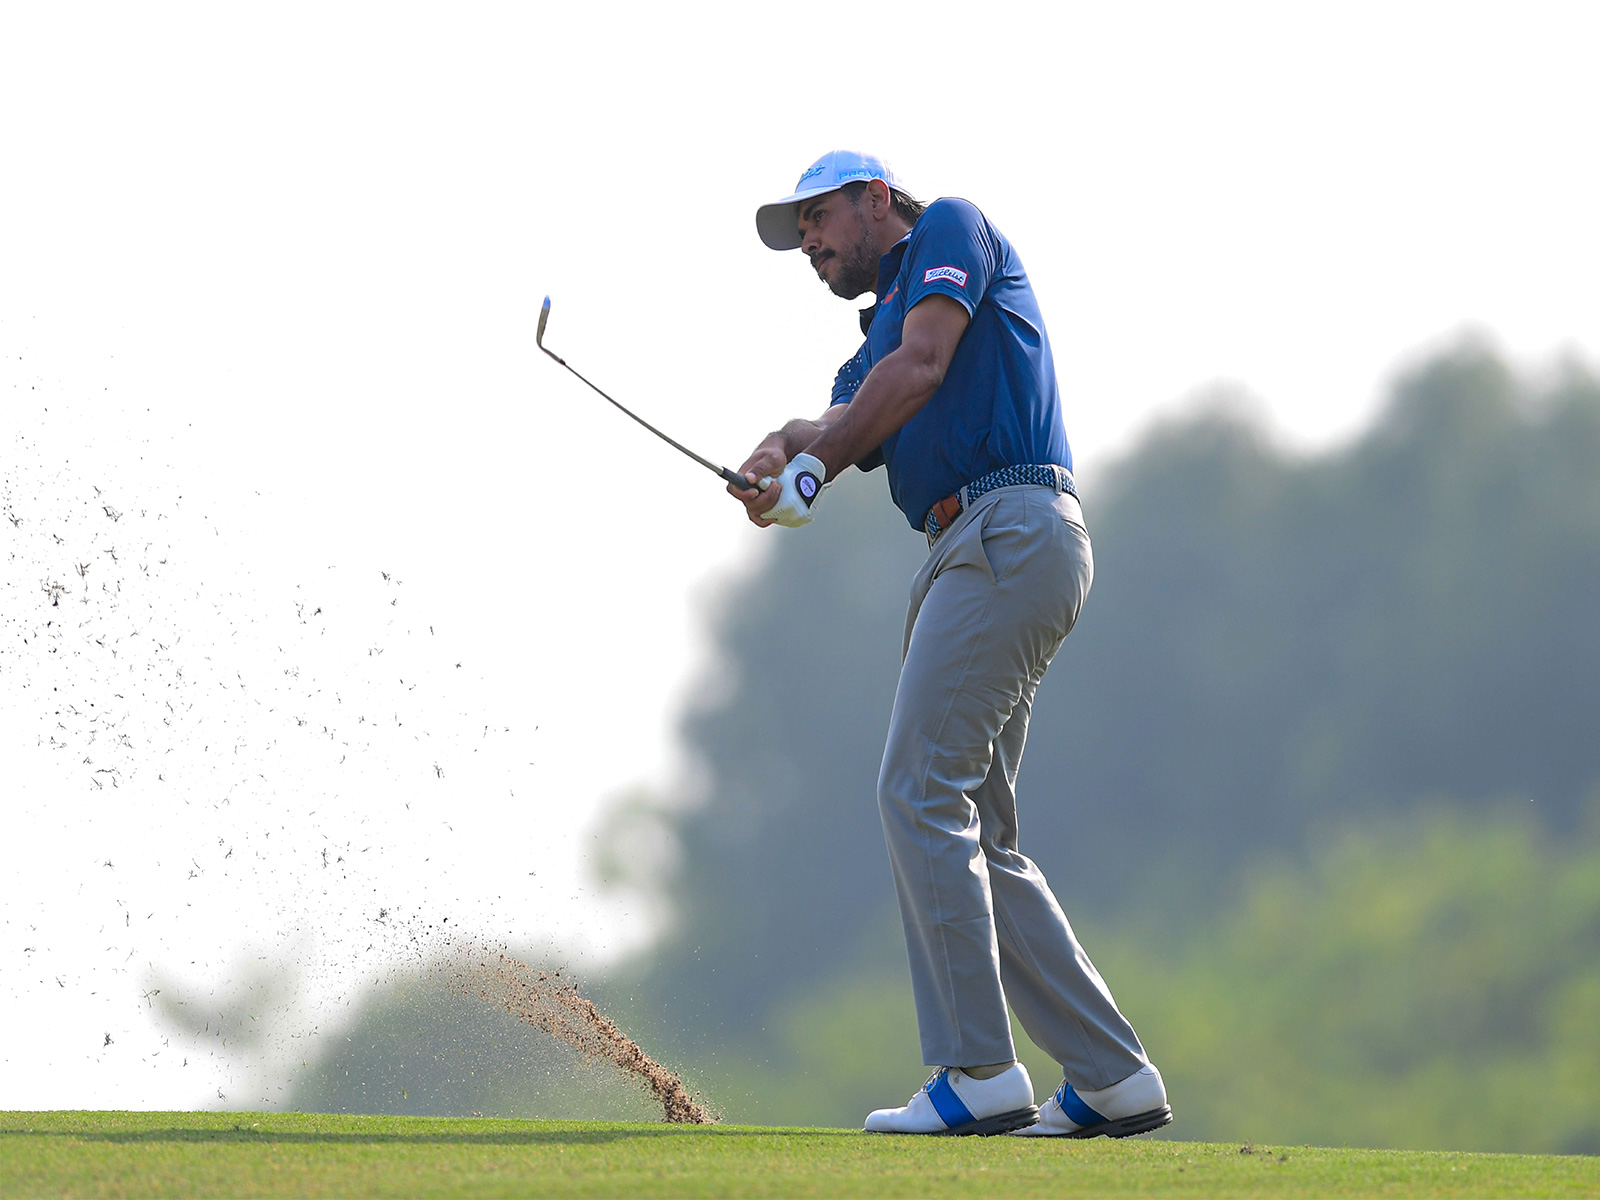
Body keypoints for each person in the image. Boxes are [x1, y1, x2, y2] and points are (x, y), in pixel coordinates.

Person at [729, 150, 1173, 1138]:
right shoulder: (873, 337)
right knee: (975, 827)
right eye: (796, 232)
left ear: (875, 198)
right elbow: (847, 414)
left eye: (816, 218)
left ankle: (977, 1070)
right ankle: (1111, 1077)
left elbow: (919, 371)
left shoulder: (949, 232)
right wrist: (780, 453)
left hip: (1005, 528)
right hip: (975, 547)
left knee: (915, 788)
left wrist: (821, 458)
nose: (807, 243)